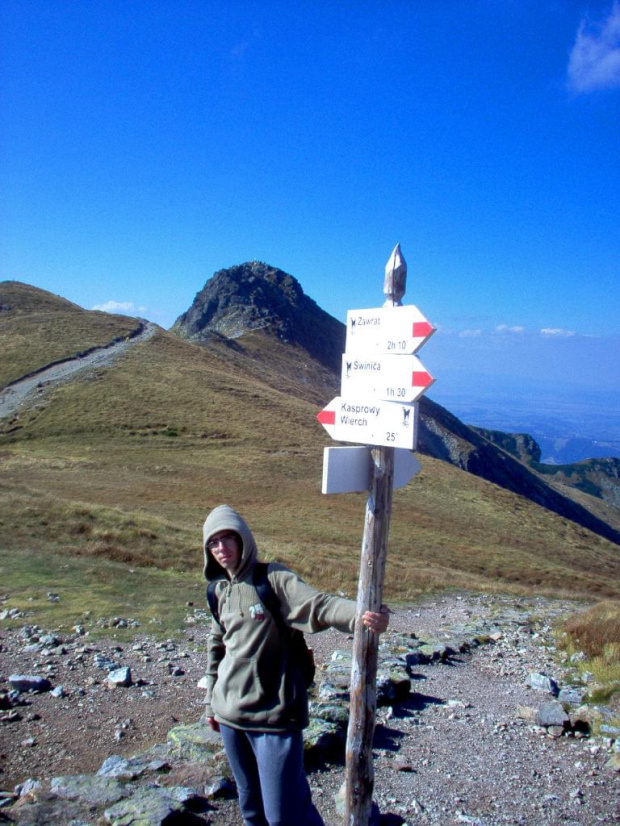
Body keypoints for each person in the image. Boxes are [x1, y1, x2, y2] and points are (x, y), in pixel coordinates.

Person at [202, 504, 389, 826]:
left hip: (274, 717)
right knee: (251, 809)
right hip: (229, 717)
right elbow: (216, 648)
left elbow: (318, 604)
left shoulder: (271, 579)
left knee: (285, 815)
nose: (222, 548)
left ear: (243, 539)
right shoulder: (218, 591)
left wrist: (361, 616)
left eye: (228, 538)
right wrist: (210, 705)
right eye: (213, 542)